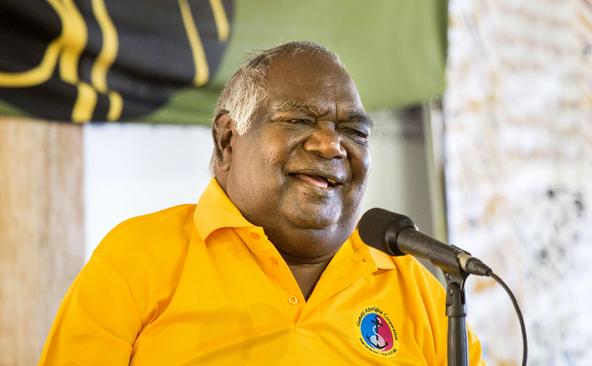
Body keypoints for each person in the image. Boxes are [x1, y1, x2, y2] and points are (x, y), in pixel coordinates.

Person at [39, 41, 485, 365]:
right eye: (298, 119)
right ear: (227, 140)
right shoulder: (137, 258)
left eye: (355, 132)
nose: (332, 145)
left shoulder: (416, 287)